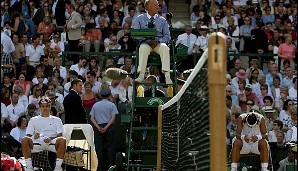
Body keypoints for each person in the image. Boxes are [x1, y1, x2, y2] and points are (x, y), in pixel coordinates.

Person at [133, 0, 172, 84]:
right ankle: (141, 76)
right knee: (143, 48)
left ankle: (167, 76)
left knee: (165, 48)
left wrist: (158, 41)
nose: (158, 7)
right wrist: (149, 41)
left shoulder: (162, 20)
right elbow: (136, 35)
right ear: (148, 7)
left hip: (158, 43)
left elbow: (167, 37)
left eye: (158, 5)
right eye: (155, 5)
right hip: (146, 43)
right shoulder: (139, 19)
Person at [21, 96, 66, 171]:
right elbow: (28, 135)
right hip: (37, 142)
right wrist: (34, 136)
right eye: (43, 106)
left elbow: (60, 135)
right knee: (24, 139)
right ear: (39, 107)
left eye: (47, 106)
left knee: (63, 140)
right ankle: (29, 168)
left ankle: (57, 168)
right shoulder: (33, 120)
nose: (45, 108)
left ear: (50, 107)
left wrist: (50, 138)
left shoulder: (57, 120)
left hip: (52, 142)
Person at [90, 89, 118, 171]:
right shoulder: (112, 105)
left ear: (101, 96)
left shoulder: (95, 105)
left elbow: (92, 118)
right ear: (109, 95)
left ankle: (99, 168)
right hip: (109, 127)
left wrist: (98, 127)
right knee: (111, 148)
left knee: (99, 148)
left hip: (99, 126)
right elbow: (113, 118)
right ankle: (111, 167)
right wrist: (106, 127)